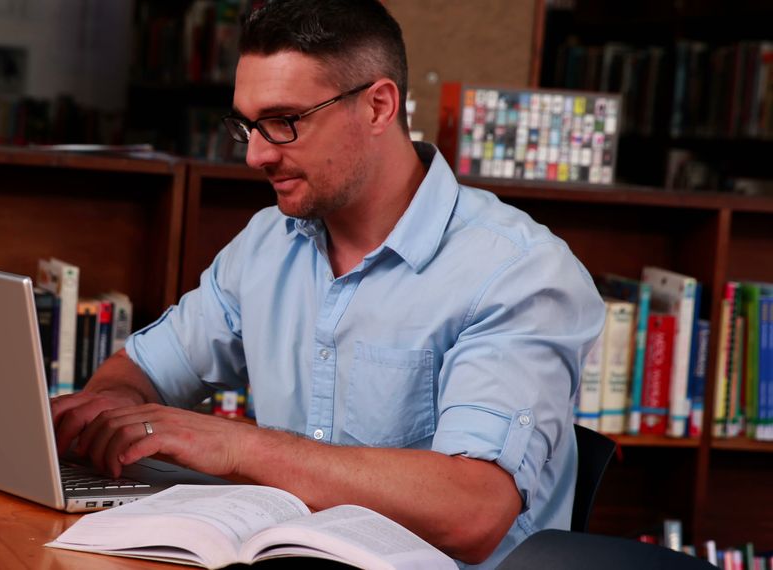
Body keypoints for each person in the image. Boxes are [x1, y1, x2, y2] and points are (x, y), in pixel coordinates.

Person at [51, 0, 604, 566]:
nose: (256, 154)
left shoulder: (519, 272)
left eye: (283, 121)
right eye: (246, 125)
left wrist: (235, 444)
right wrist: (112, 417)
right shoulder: (267, 242)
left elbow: (475, 511)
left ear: (378, 106)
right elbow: (140, 371)